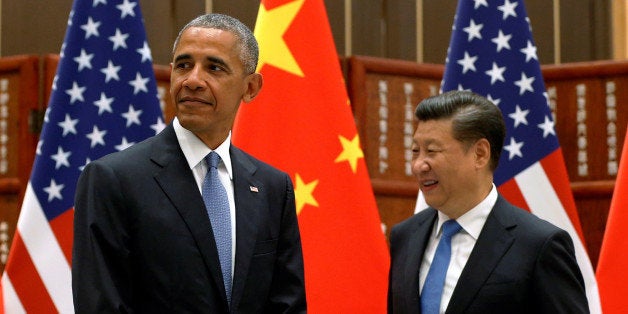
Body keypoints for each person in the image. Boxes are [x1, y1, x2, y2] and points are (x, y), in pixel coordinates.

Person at [72, 13, 306, 313]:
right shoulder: (113, 179)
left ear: (250, 87)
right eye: (183, 65)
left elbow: (287, 305)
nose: (193, 80)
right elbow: (102, 305)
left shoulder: (272, 187)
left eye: (214, 67)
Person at [387, 90, 588, 313]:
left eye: (432, 151)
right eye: (416, 151)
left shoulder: (538, 245)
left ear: (480, 154)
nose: (418, 165)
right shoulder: (405, 237)